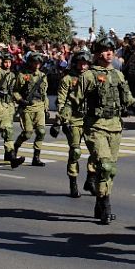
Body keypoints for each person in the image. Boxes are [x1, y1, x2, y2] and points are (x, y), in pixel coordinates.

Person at [75, 37, 135, 224]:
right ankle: (106, 206)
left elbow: (127, 97)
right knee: (105, 165)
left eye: (111, 49)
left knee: (110, 169)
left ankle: (100, 202)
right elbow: (74, 99)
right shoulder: (88, 76)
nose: (109, 53)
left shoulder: (118, 75)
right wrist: (62, 120)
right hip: (95, 126)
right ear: (96, 54)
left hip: (115, 127)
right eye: (104, 50)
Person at [53, 48, 95, 197]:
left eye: (86, 64)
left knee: (96, 152)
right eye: (80, 63)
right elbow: (61, 102)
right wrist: (60, 121)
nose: (83, 67)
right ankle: (73, 182)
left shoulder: (93, 77)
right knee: (75, 152)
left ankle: (90, 178)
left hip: (91, 119)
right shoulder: (67, 79)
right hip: (74, 119)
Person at [13, 52, 49, 167]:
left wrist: (46, 108)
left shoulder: (42, 76)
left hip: (39, 107)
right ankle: (15, 148)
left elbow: (44, 94)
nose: (37, 64)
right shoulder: (22, 75)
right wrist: (20, 100)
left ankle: (36, 158)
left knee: (41, 132)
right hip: (27, 108)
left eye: (39, 62)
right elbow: (15, 91)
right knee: (27, 133)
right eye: (35, 62)